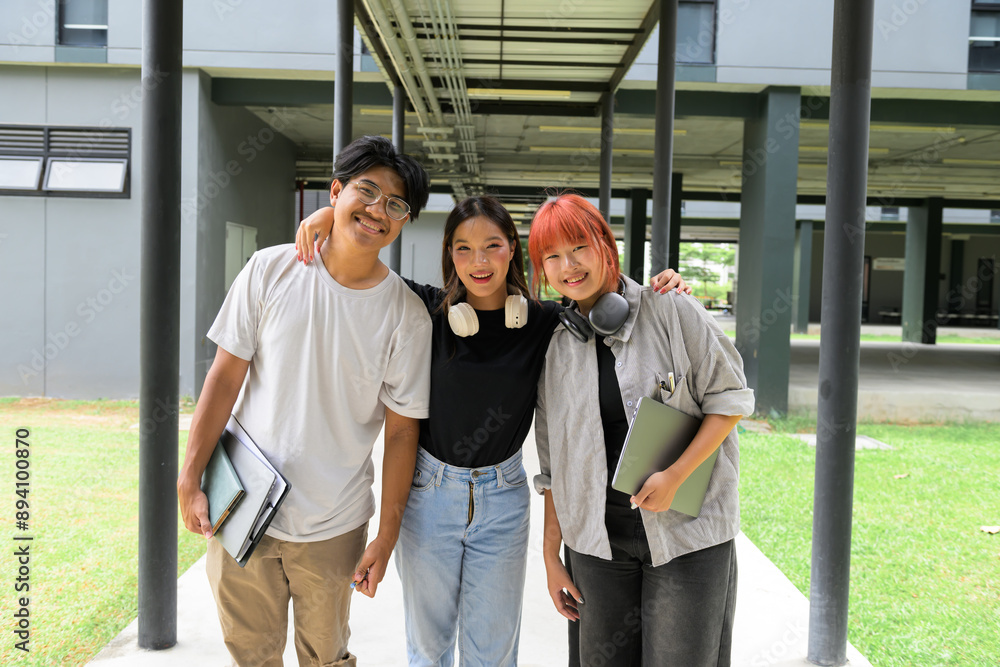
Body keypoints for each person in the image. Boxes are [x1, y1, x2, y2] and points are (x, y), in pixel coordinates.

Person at [295, 196, 689, 667]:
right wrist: (328, 217)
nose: (478, 262)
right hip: (429, 495)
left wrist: (667, 284)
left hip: (503, 500)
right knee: (428, 649)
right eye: (463, 249)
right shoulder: (424, 309)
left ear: (513, 251)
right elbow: (359, 264)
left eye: (492, 246)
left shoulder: (544, 323)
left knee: (493, 654)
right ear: (449, 255)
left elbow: (605, 297)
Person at [177, 135, 434, 667]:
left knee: (325, 658)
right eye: (366, 191)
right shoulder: (269, 270)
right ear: (335, 191)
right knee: (250, 655)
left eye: (395, 204)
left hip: (333, 524)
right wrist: (189, 478)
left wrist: (385, 537)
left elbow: (403, 431)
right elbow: (224, 380)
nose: (377, 210)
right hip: (242, 507)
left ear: (404, 221)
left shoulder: (406, 315)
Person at [527, 193, 754, 667]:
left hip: (686, 536)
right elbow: (552, 469)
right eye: (552, 257)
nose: (568, 265)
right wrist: (552, 557)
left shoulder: (671, 309)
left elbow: (730, 400)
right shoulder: (555, 347)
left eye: (578, 248)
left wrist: (676, 476)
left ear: (605, 246)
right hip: (596, 542)